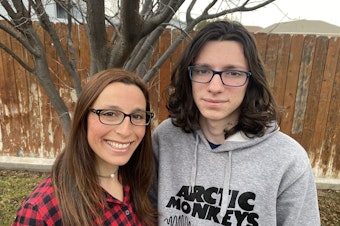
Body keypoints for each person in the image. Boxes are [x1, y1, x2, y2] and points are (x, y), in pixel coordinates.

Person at [150, 20, 320, 225]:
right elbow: (145, 213)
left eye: (233, 73)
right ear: (189, 76)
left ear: (251, 81)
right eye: (203, 70)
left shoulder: (288, 160)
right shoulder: (166, 138)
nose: (215, 86)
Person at [13, 68, 157, 225]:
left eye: (137, 116)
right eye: (109, 114)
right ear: (83, 119)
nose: (125, 131)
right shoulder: (42, 212)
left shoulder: (140, 182)